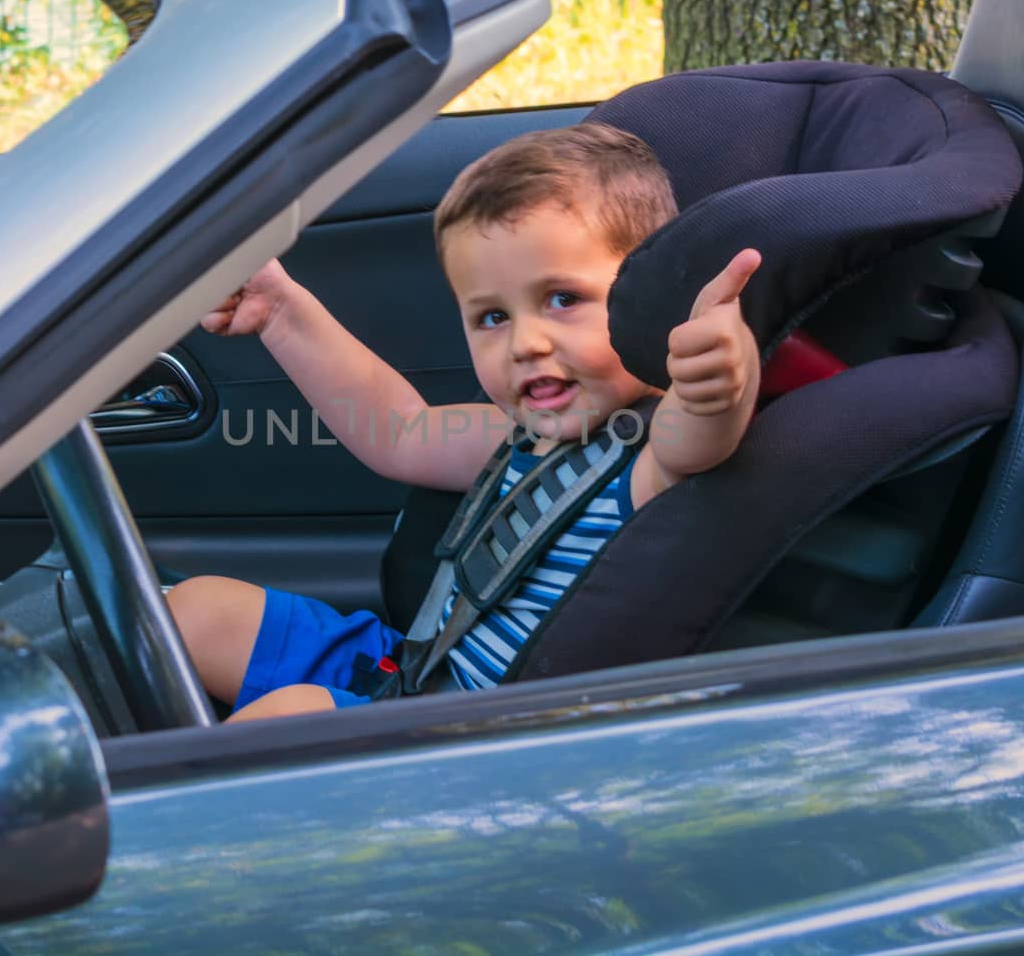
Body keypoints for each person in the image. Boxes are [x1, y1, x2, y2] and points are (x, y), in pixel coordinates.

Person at [167, 122, 762, 721]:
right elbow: (400, 431)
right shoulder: (519, 438)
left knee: (291, 713)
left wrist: (716, 376)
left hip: (474, 742)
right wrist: (281, 313)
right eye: (493, 317)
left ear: (654, 298)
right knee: (196, 611)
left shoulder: (652, 460)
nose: (526, 343)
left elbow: (702, 432)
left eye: (562, 299)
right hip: (414, 670)